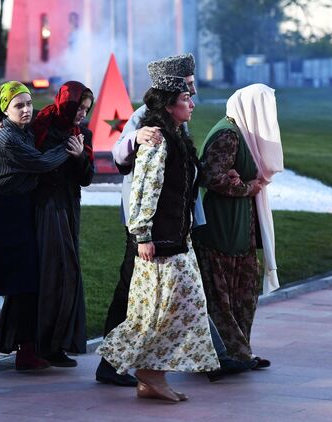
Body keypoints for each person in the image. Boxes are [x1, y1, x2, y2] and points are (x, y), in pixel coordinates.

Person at [97, 53, 228, 386]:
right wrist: (134, 139)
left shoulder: (177, 117)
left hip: (173, 223)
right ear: (172, 88)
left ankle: (215, 356)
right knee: (138, 293)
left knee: (181, 293)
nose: (193, 90)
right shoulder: (148, 117)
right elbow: (122, 157)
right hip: (149, 226)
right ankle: (113, 365)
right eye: (188, 84)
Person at [0, 81, 83, 371]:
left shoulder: (27, 130)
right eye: (18, 105)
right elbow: (41, 163)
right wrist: (70, 151)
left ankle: (27, 349)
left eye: (29, 103)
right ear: (4, 110)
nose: (26, 109)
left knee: (26, 281)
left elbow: (51, 122)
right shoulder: (7, 138)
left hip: (20, 209)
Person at [193, 83, 283, 372]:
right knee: (221, 292)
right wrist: (247, 187)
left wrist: (244, 183)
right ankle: (226, 355)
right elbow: (213, 176)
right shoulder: (228, 135)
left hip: (238, 226)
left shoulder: (239, 133)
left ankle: (240, 351)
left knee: (241, 289)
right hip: (221, 227)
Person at [31, 81, 94, 366]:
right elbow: (13, 139)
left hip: (69, 206)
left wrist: (80, 155)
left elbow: (87, 177)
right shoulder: (41, 124)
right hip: (44, 205)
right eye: (79, 107)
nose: (82, 113)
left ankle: (61, 341)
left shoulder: (83, 134)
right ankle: (42, 344)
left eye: (86, 109)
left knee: (68, 269)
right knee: (53, 269)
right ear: (66, 102)